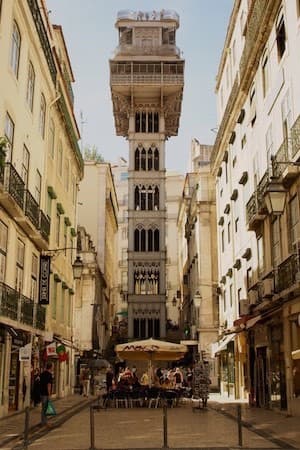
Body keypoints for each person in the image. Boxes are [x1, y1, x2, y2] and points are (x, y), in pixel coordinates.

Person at [40, 362, 53, 427]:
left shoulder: (42, 374)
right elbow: (49, 385)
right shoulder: (49, 375)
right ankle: (45, 422)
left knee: (43, 408)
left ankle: (43, 422)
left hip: (42, 393)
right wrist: (49, 394)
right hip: (46, 394)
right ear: (51, 367)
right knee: (46, 408)